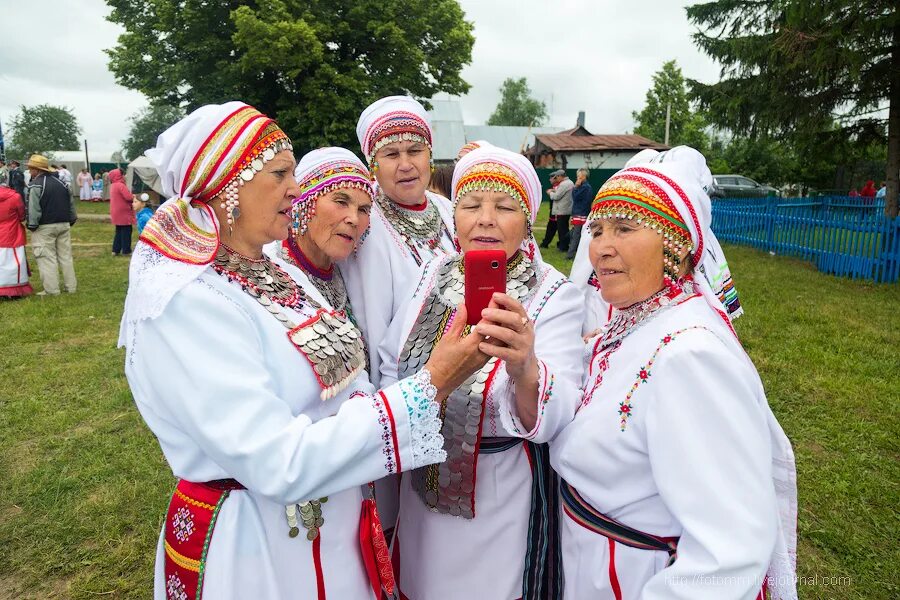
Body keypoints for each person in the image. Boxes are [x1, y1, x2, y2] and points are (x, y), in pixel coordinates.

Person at [119, 102, 485, 600]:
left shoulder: (270, 275)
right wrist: (432, 383)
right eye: (280, 174)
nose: (295, 188)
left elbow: (348, 380)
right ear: (228, 184)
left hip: (328, 527)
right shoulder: (187, 301)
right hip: (258, 548)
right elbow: (278, 461)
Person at [550, 146, 797, 599]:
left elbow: (730, 553)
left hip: (632, 575)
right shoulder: (637, 318)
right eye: (599, 228)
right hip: (595, 563)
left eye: (625, 228)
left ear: (678, 247)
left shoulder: (690, 356)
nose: (601, 246)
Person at [381, 145, 585, 600]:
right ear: (454, 217)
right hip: (420, 485)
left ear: (529, 217)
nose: (485, 219)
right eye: (471, 206)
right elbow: (388, 359)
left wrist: (524, 365)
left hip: (499, 494)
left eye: (505, 207)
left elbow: (560, 413)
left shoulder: (554, 294)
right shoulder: (432, 274)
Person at [344, 95, 456, 387]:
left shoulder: (447, 209)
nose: (406, 165)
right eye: (391, 155)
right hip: (401, 383)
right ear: (373, 165)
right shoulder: (366, 221)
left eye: (414, 151)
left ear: (428, 155)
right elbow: (371, 316)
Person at [25, 154, 77, 296]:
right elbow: (71, 204)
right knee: (66, 257)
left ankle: (52, 290)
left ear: (36, 169)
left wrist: (32, 225)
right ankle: (71, 287)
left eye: (30, 168)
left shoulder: (36, 184)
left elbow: (33, 208)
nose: (29, 171)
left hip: (45, 227)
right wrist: (71, 219)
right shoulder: (63, 183)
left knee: (47, 258)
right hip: (64, 224)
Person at [0, 180, 33, 298]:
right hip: (12, 232)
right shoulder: (15, 197)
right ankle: (14, 288)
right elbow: (22, 215)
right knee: (14, 260)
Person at [566, 167, 592, 260]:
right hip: (580, 213)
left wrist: (576, 187)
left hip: (580, 214)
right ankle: (577, 253)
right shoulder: (586, 187)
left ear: (584, 177)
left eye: (579, 177)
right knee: (575, 234)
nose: (577, 179)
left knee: (576, 235)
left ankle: (570, 254)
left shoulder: (585, 187)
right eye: (577, 177)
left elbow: (575, 197)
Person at [108, 168, 135, 255]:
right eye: (122, 174)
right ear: (119, 175)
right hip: (124, 212)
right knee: (126, 231)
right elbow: (128, 197)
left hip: (116, 212)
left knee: (119, 231)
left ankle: (115, 250)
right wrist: (133, 196)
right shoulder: (121, 185)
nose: (124, 176)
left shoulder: (113, 185)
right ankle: (126, 250)